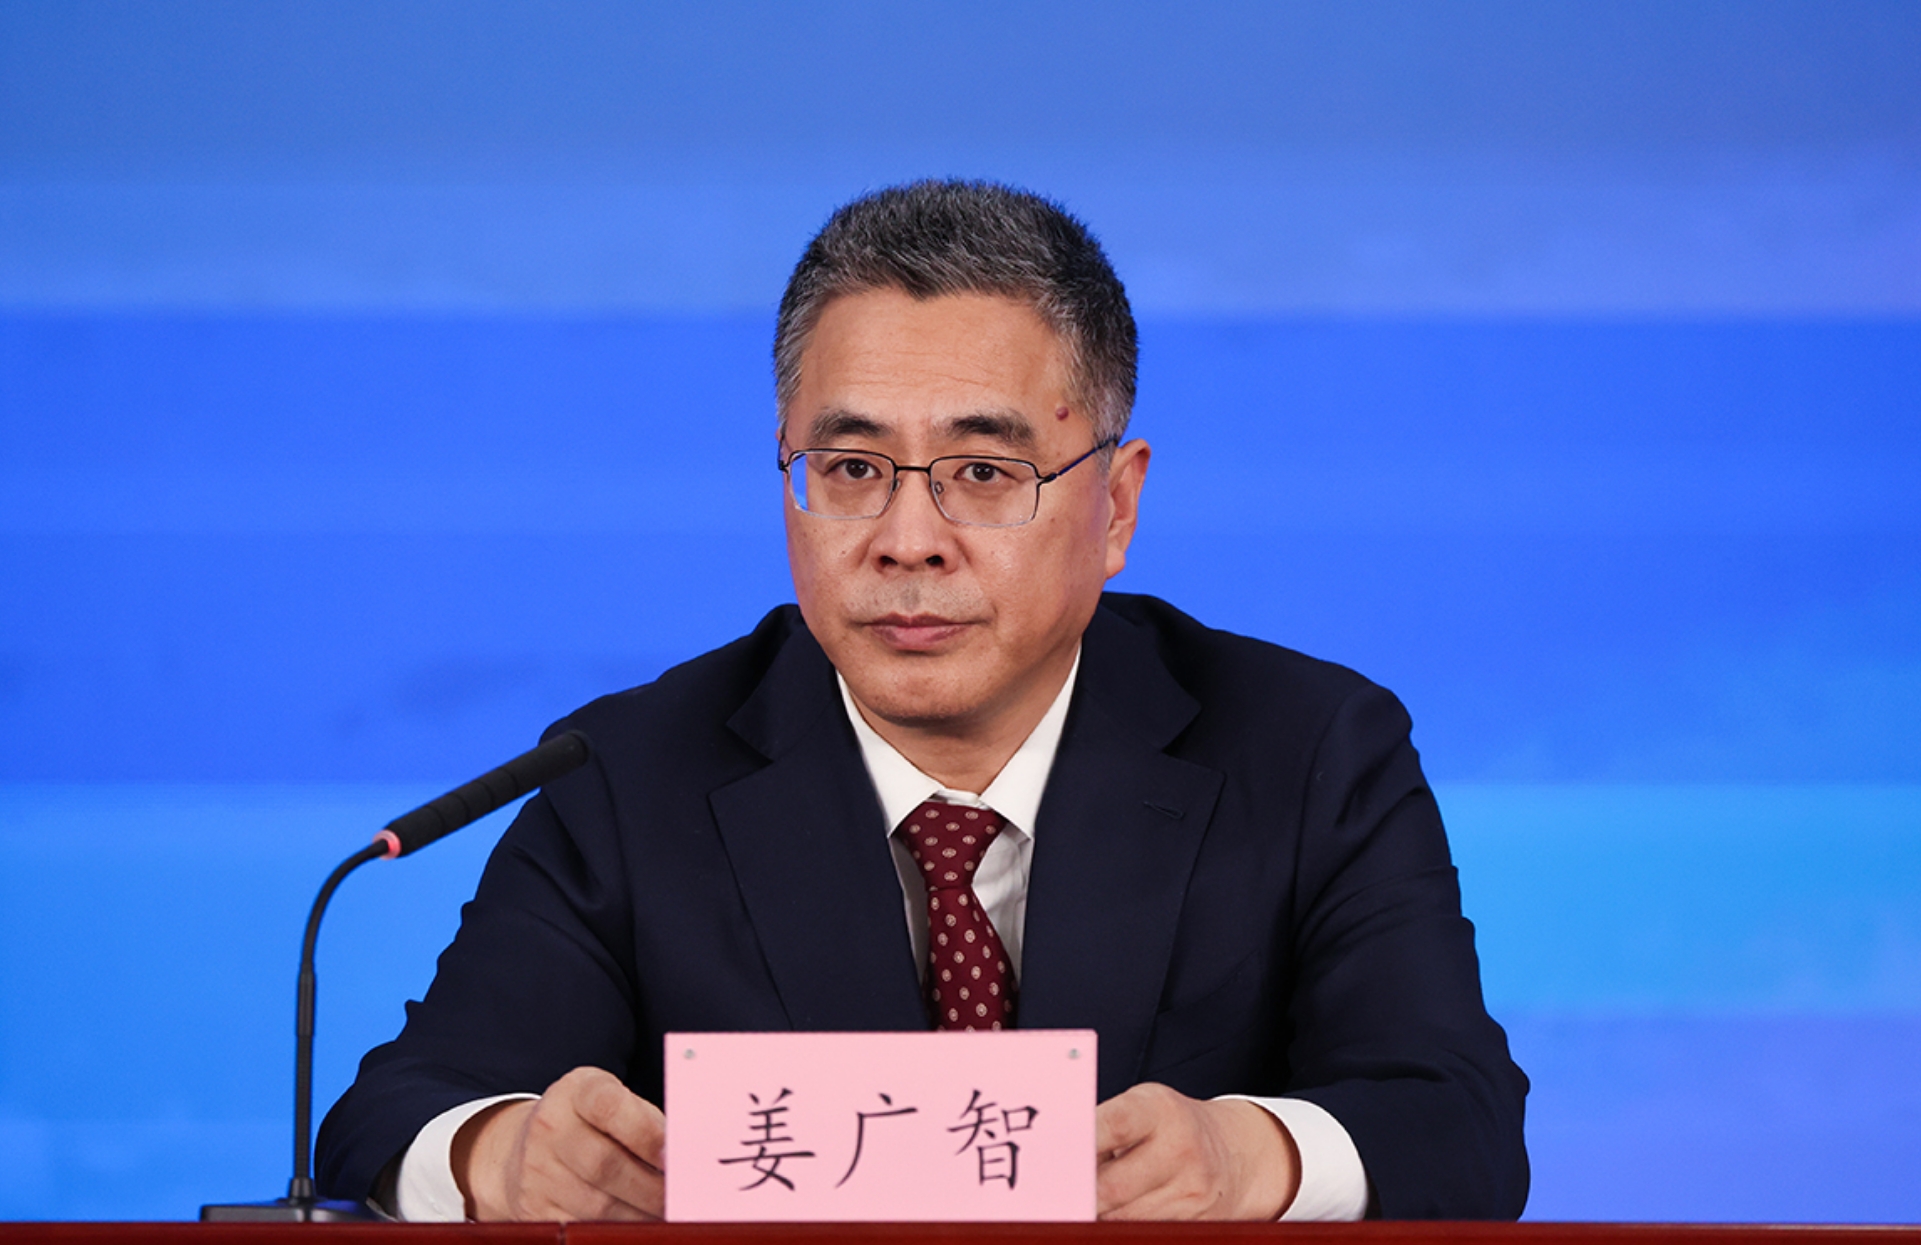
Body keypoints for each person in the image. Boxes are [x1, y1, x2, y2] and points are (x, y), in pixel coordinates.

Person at [316, 179, 1529, 1222]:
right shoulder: (628, 776)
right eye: (851, 468)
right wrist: (498, 1155)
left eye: (983, 472)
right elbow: (392, 1117)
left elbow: (1458, 1120)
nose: (908, 540)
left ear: (1114, 507)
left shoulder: (1308, 749)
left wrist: (1248, 1156)